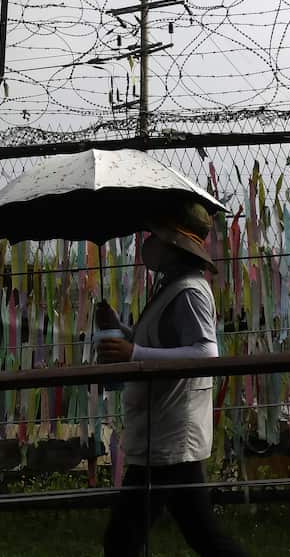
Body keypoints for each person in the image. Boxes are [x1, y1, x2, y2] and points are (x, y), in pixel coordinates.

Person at [96, 199, 247, 557]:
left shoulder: (190, 292)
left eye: (157, 236)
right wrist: (122, 329)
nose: (150, 242)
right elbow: (164, 342)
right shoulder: (173, 286)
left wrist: (135, 355)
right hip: (165, 434)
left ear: (174, 245)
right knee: (201, 535)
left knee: (123, 539)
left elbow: (205, 354)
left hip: (168, 435)